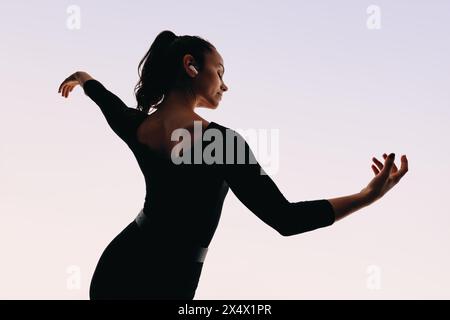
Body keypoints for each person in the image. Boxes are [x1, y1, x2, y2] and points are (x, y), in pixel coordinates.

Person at [57, 30, 409, 300]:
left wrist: (83, 78)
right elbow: (286, 219)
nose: (225, 85)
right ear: (191, 66)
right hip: (170, 281)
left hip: (119, 265)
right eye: (219, 71)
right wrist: (366, 196)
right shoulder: (221, 143)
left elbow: (106, 100)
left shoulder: (137, 127)